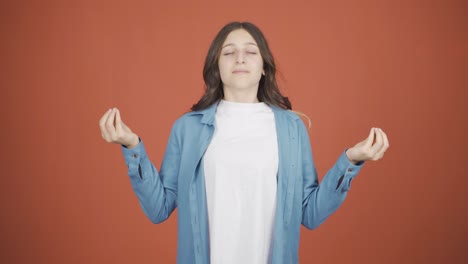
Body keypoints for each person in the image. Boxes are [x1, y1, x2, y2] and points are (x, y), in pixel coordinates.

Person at [99, 21, 389, 264]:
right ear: (217, 66)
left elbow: (310, 213)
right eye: (229, 52)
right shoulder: (187, 128)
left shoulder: (291, 129)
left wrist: (351, 160)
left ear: (264, 67)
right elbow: (158, 207)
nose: (240, 58)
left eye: (250, 52)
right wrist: (131, 145)